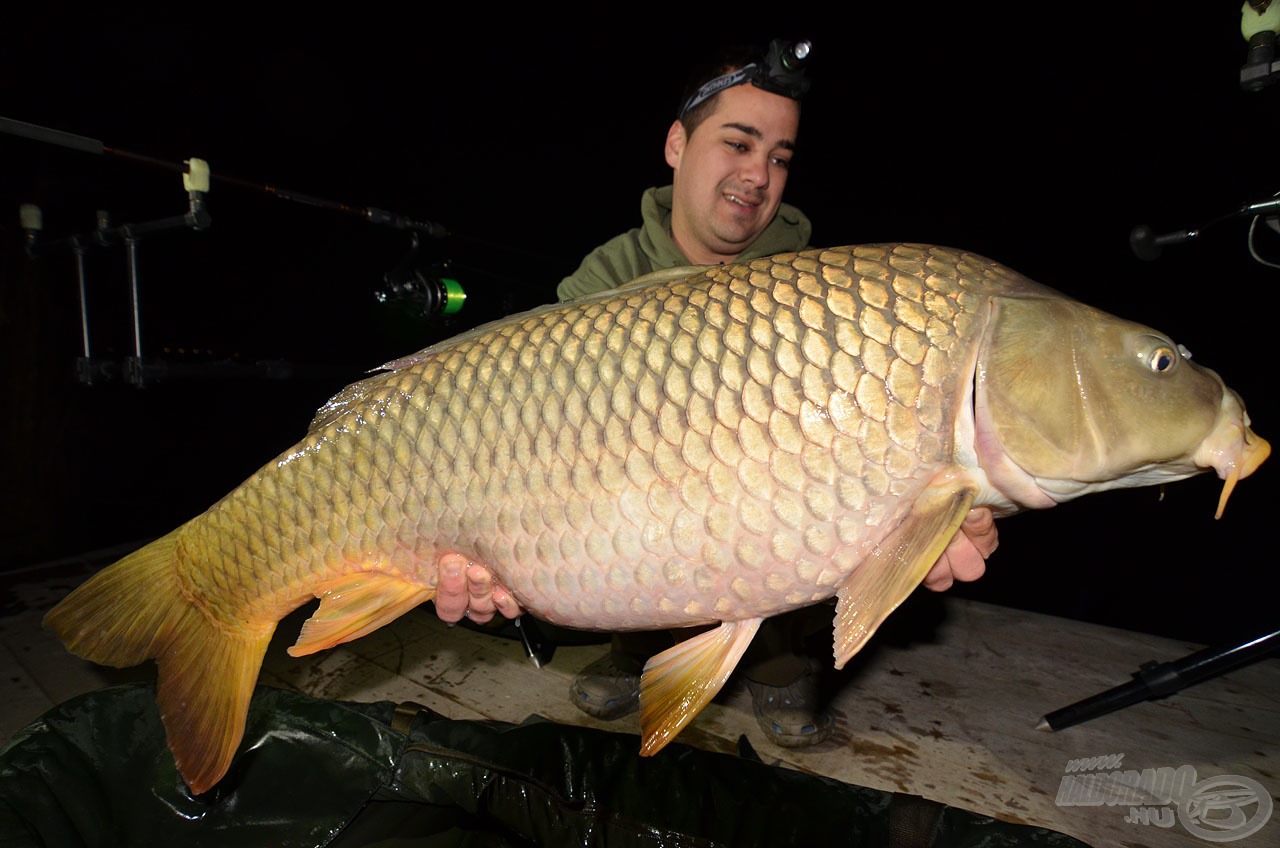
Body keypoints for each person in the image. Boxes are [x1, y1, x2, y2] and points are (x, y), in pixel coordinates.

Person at [430, 40, 999, 747]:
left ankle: (781, 665)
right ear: (676, 144)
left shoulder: (826, 299)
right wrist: (493, 561)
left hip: (777, 566)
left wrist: (922, 523)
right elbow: (536, 464)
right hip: (632, 543)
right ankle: (634, 650)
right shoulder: (600, 284)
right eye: (738, 143)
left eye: (781, 157)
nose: (758, 175)